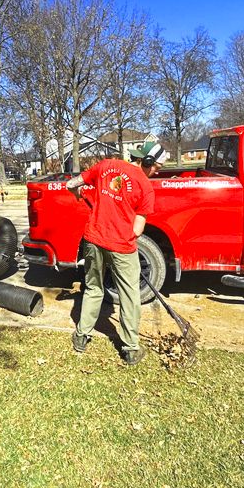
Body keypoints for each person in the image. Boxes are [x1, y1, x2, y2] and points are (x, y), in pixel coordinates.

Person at [65, 141, 166, 365]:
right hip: (122, 246)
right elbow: (137, 230)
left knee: (93, 288)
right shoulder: (146, 187)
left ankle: (81, 337)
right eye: (157, 166)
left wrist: (78, 195)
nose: (157, 171)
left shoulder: (105, 166)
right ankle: (130, 349)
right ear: (147, 161)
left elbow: (72, 184)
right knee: (130, 295)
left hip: (93, 240)